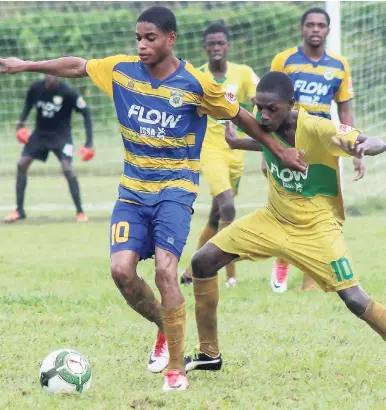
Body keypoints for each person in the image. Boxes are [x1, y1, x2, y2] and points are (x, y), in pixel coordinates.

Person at [0, 7, 306, 391]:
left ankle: (176, 369)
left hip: (175, 191)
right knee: (121, 272)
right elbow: (78, 65)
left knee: (165, 271)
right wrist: (25, 65)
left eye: (150, 38)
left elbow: (241, 115)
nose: (142, 45)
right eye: (138, 38)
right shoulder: (122, 71)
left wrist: (278, 151)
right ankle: (165, 325)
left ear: (170, 39)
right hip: (132, 191)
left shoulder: (195, 83)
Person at [184, 71, 386, 375]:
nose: (263, 116)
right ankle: (209, 354)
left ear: (291, 104)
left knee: (355, 299)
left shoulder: (317, 127)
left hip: (315, 227)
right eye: (259, 107)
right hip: (272, 217)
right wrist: (238, 144)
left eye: (271, 109)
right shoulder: (262, 118)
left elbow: (374, 140)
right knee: (202, 263)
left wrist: (364, 148)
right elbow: (266, 142)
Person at [266, 7, 366, 292]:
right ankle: (282, 260)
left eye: (321, 25)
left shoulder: (339, 65)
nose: (315, 29)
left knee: (323, 210)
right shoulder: (284, 60)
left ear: (328, 30)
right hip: (289, 141)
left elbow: (345, 109)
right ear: (301, 28)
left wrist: (355, 147)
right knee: (290, 208)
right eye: (310, 24)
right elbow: (266, 102)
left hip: (323, 145)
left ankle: (309, 282)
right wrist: (268, 148)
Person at [180, 23, 259, 288]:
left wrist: (261, 136)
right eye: (211, 44)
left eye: (220, 43)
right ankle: (229, 276)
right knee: (228, 206)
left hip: (236, 151)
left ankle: (193, 268)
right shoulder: (197, 77)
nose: (216, 48)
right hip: (209, 150)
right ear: (205, 48)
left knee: (216, 217)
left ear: (228, 46)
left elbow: (262, 103)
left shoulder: (243, 73)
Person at [4, 75, 94, 223]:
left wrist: (89, 142)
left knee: (67, 169)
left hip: (62, 136)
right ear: (45, 75)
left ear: (58, 76)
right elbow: (27, 106)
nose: (51, 77)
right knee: (21, 164)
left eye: (54, 74)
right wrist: (20, 124)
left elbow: (86, 113)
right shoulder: (35, 88)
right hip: (40, 135)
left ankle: (80, 212)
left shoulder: (68, 92)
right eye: (48, 74)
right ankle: (19, 210)